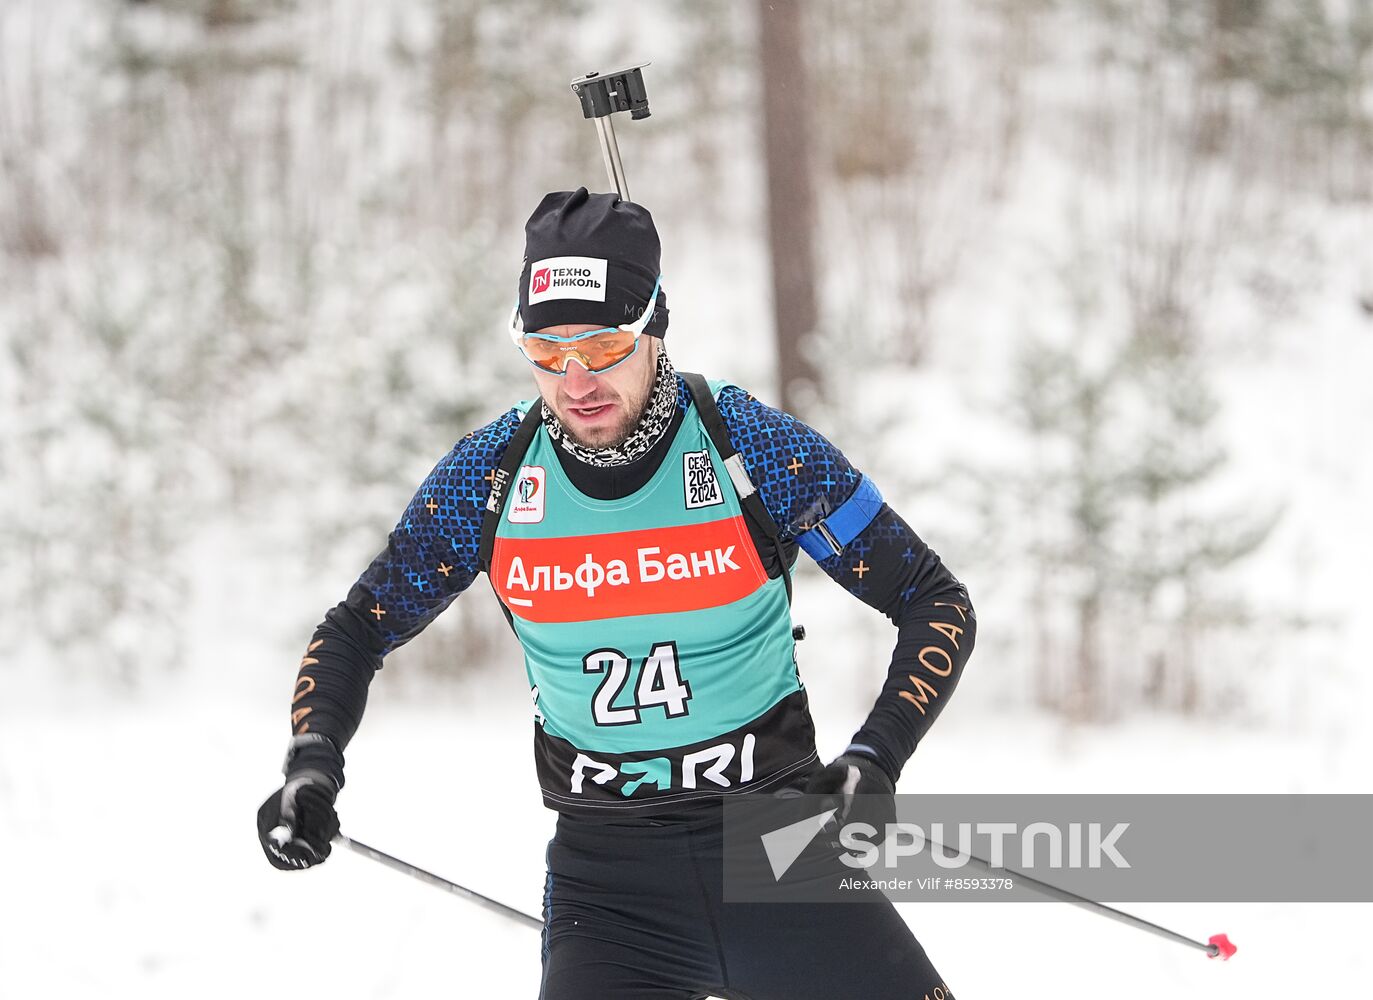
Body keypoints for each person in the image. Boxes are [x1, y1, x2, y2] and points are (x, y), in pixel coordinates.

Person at [257, 187, 975, 999]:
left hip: (781, 852)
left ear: (653, 329)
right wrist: (312, 765)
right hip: (609, 891)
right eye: (545, 350)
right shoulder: (490, 479)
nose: (574, 380)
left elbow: (933, 599)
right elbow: (359, 628)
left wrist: (876, 758)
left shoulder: (749, 449)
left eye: (601, 347)